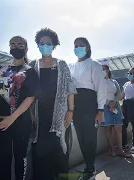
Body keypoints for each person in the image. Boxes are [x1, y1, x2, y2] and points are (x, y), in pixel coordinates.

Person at [0, 36, 39, 180]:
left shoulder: (30, 71)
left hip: (20, 122)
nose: (16, 47)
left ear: (26, 49)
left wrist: (12, 118)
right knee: (2, 159)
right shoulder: (0, 69)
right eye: (13, 44)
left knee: (20, 159)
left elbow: (31, 97)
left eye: (20, 44)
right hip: (0, 122)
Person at [30, 28, 77, 180]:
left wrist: (70, 111)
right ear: (37, 45)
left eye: (48, 43)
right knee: (41, 156)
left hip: (60, 116)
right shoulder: (32, 65)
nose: (45, 46)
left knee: (60, 154)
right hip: (40, 117)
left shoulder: (62, 65)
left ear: (54, 45)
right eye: (41, 43)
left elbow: (70, 89)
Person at [69, 37, 106, 180]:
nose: (78, 47)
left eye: (81, 45)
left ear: (88, 48)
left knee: (90, 139)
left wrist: (100, 110)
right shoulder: (71, 66)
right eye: (75, 45)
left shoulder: (94, 64)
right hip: (76, 105)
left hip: (89, 104)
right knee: (81, 138)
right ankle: (87, 166)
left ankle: (90, 169)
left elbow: (100, 87)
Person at [100, 62, 131, 158]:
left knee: (118, 128)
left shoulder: (114, 81)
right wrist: (107, 103)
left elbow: (118, 93)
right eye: (101, 69)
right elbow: (97, 95)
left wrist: (114, 102)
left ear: (108, 70)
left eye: (105, 69)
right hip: (104, 106)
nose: (103, 71)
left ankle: (120, 150)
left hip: (115, 105)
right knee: (107, 128)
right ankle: (112, 149)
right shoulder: (98, 83)